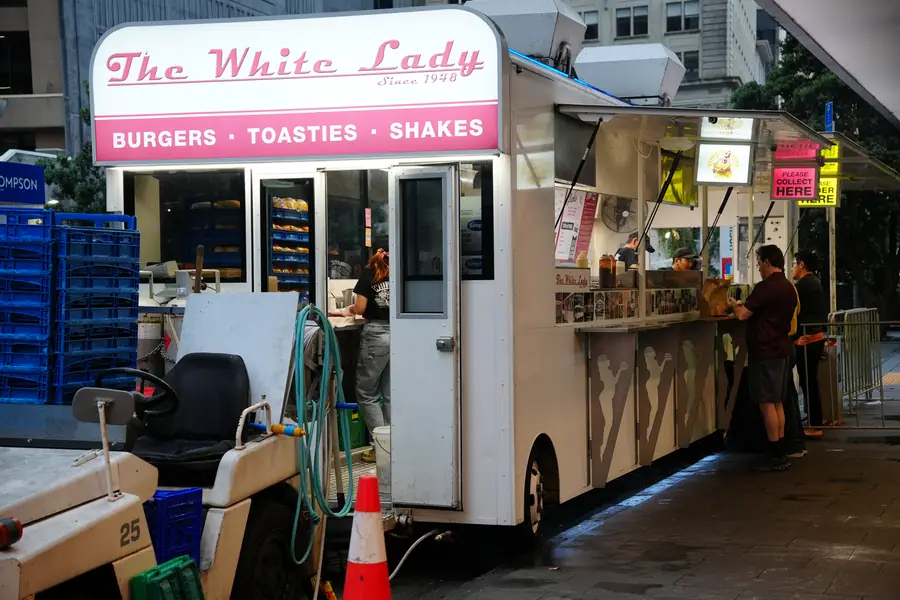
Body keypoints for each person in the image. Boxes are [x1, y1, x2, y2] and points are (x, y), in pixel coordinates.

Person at [728, 245, 800, 471]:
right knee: (777, 401)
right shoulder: (789, 287)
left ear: (767, 262)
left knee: (766, 402)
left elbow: (742, 315)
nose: (758, 267)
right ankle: (780, 450)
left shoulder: (765, 288)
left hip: (765, 350)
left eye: (759, 262)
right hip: (782, 348)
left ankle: (775, 454)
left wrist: (734, 304)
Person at [330, 248, 390, 463]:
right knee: (389, 393)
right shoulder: (400, 271)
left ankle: (380, 447)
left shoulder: (370, 273)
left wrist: (350, 309)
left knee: (366, 393)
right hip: (398, 334)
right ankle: (393, 445)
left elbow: (361, 306)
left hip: (375, 336)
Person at [792, 250, 828, 436]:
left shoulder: (803, 285)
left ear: (801, 264)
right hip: (814, 338)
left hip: (808, 339)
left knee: (808, 382)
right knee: (809, 381)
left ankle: (814, 424)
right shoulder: (814, 282)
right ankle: (814, 421)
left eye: (793, 264)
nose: (792, 268)